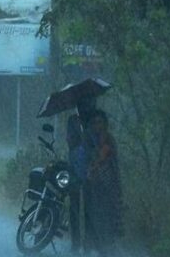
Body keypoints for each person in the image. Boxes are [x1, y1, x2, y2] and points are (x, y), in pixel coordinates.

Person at [87, 110, 124, 256]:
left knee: (110, 217)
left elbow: (104, 157)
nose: (97, 125)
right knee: (97, 217)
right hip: (96, 185)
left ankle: (109, 249)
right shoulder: (92, 140)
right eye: (94, 123)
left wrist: (93, 166)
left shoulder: (109, 139)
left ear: (105, 124)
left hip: (110, 184)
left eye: (100, 122)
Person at [66, 96, 96, 254]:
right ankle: (75, 243)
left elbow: (98, 143)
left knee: (90, 209)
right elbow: (70, 141)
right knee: (74, 209)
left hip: (90, 170)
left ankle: (88, 244)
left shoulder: (94, 122)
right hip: (74, 169)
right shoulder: (72, 120)